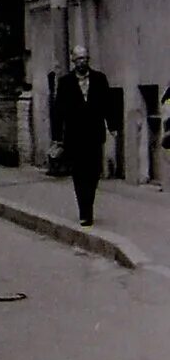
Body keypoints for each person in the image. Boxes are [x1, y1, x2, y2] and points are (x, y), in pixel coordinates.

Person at [51, 44, 114, 226]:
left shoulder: (99, 79)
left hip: (94, 135)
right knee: (79, 174)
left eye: (85, 58)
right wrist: (57, 136)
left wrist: (113, 126)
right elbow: (58, 111)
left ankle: (89, 204)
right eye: (78, 59)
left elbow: (108, 104)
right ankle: (84, 212)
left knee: (94, 173)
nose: (82, 62)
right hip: (75, 137)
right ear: (73, 61)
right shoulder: (66, 83)